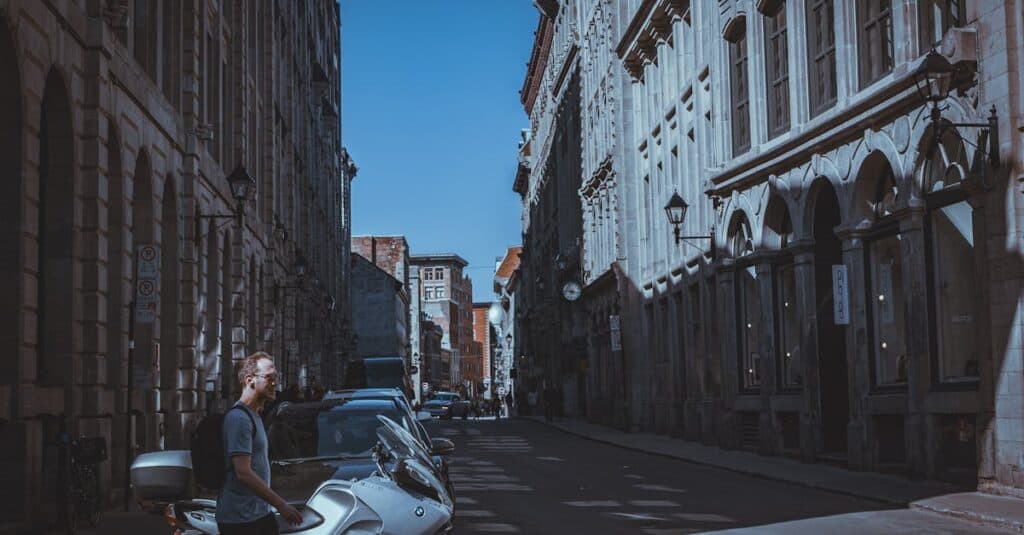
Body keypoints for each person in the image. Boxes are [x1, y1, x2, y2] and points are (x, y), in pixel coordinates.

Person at [217, 352, 303, 535]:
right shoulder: (240, 419)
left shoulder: (253, 415)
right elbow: (243, 473)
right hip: (242, 520)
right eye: (270, 377)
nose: (275, 383)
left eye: (276, 377)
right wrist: (282, 506)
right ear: (250, 380)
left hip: (258, 514)